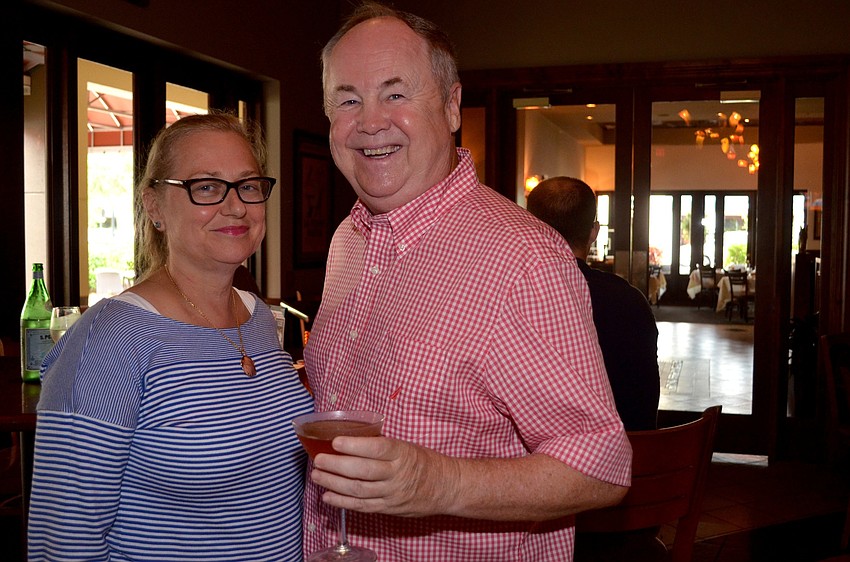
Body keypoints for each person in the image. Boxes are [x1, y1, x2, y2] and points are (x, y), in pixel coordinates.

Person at [301, 3, 632, 560]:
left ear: (452, 105)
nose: (370, 121)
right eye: (348, 100)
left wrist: (438, 483)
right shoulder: (348, 240)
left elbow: (601, 466)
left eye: (396, 93)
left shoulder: (524, 258)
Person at [27, 113, 313, 562]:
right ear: (154, 206)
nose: (236, 206)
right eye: (206, 187)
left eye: (248, 185)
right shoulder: (110, 336)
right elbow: (64, 540)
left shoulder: (259, 318)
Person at [527, 177, 660, 431]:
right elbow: (644, 401)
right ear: (594, 232)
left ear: (529, 227)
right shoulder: (629, 301)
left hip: (540, 450)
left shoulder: (513, 295)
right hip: (629, 446)